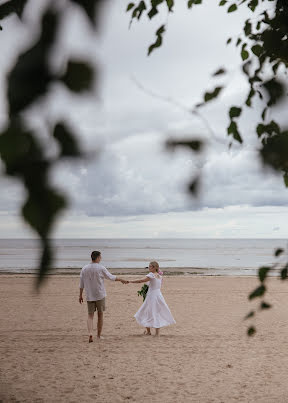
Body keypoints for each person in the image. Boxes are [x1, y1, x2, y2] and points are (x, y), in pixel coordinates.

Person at [79, 251, 127, 343]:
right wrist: (121, 279)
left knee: (90, 316)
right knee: (100, 315)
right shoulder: (101, 268)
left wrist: (80, 295)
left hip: (89, 295)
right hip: (100, 295)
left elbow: (81, 283)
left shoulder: (84, 268)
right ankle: (98, 335)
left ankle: (90, 334)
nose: (101, 258)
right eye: (100, 257)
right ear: (97, 258)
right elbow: (111, 277)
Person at [127, 261, 176, 337]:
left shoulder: (151, 275)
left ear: (155, 267)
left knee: (148, 311)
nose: (149, 268)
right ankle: (153, 332)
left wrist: (130, 281)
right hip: (158, 295)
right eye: (149, 266)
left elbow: (141, 280)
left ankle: (151, 332)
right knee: (154, 312)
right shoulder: (159, 276)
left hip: (152, 296)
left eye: (150, 266)